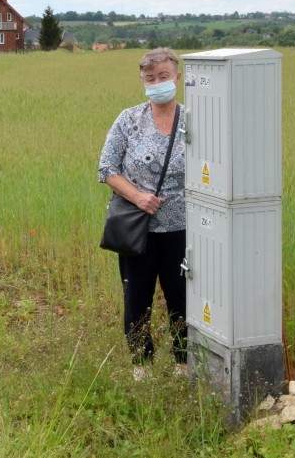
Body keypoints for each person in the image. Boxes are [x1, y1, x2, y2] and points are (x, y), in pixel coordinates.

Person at [98, 47, 187, 381]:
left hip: (181, 229)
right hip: (138, 228)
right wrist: (138, 197)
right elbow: (107, 168)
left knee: (182, 297)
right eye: (150, 78)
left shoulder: (193, 122)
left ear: (176, 77)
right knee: (137, 298)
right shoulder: (128, 120)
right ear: (142, 81)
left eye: (163, 77)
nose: (157, 83)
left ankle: (183, 363)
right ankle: (142, 368)